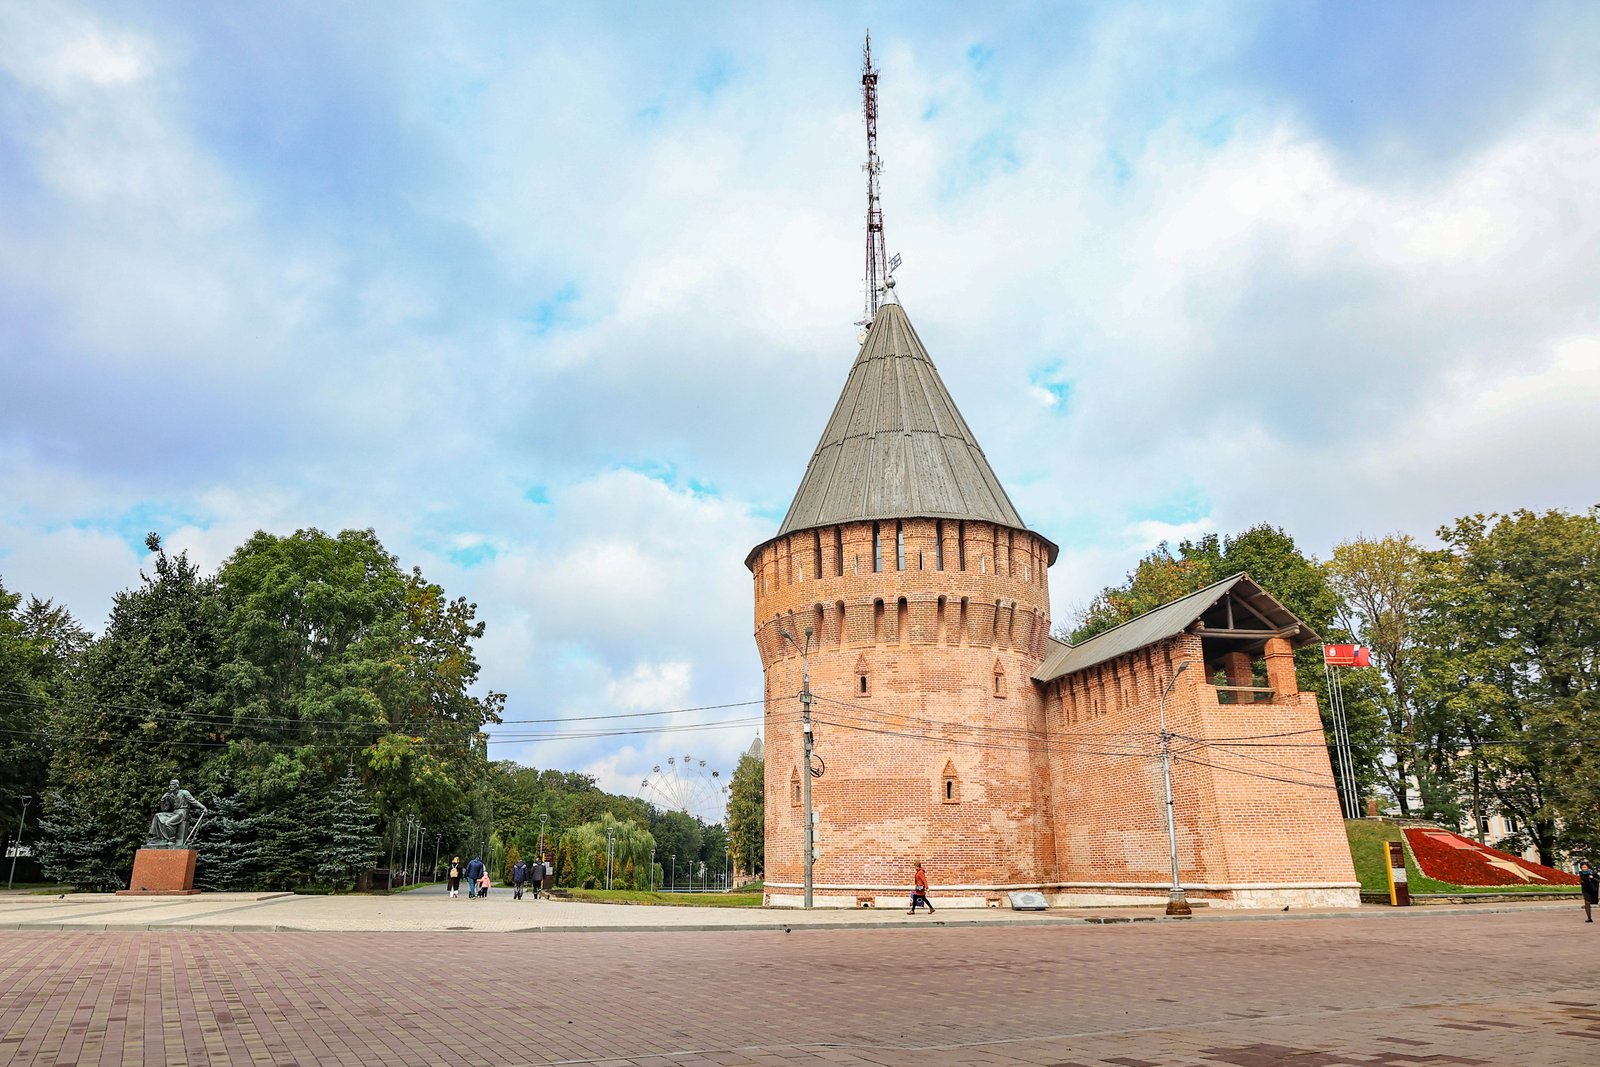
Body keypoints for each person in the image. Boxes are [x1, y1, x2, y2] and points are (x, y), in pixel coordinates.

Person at [146, 779, 209, 848]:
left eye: (172, 785)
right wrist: (162, 800)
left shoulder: (184, 793)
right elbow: (164, 809)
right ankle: (157, 837)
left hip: (182, 813)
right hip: (174, 813)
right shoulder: (169, 795)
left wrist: (203, 807)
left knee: (168, 823)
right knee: (157, 815)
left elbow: (194, 801)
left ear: (177, 786)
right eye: (170, 785)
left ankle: (172, 840)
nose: (170, 787)